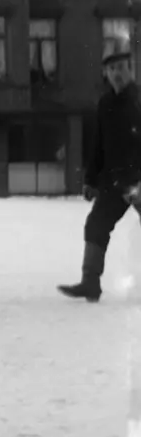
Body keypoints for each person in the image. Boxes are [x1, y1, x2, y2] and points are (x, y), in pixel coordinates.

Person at [58, 47, 141, 303]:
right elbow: (99, 145)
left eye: (122, 68)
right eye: (112, 69)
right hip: (113, 182)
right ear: (106, 73)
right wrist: (91, 180)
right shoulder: (105, 104)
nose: (117, 74)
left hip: (139, 181)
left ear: (131, 70)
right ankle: (90, 283)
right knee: (95, 226)